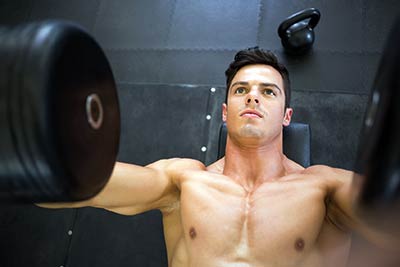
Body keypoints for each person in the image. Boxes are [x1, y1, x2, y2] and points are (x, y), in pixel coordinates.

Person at [39, 47, 391, 267]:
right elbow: (77, 184)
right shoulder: (183, 182)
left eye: (268, 91)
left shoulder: (325, 190)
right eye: (241, 90)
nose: (253, 98)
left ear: (287, 115)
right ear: (225, 111)